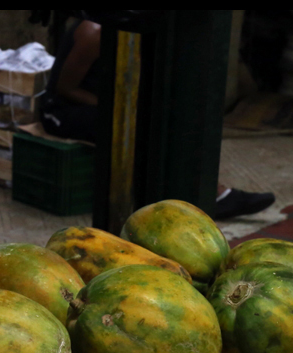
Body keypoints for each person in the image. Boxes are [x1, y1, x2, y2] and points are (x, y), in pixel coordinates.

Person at [41, 18, 276, 221]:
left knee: (172, 122)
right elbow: (66, 89)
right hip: (63, 111)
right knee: (142, 129)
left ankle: (209, 193)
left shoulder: (137, 26)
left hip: (106, 102)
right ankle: (210, 197)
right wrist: (121, 106)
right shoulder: (94, 33)